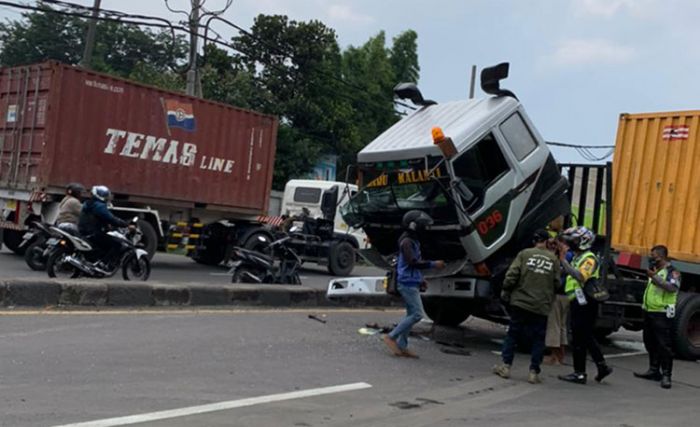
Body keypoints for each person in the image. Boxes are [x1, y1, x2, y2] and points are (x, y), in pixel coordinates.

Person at [492, 229, 561, 384]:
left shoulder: (524, 254)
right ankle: (533, 372)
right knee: (538, 339)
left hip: (520, 302)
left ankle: (506, 366)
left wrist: (506, 290)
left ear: (534, 241)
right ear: (547, 241)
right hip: (541, 305)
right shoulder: (553, 259)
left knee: (513, 334)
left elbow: (511, 275)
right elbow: (557, 283)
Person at [382, 210, 445, 358]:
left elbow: (412, 264)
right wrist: (433, 264)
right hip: (406, 283)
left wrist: (420, 279)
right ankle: (391, 337)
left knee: (411, 314)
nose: (424, 229)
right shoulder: (406, 242)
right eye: (422, 226)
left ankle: (402, 345)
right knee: (417, 314)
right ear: (414, 226)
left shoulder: (413, 241)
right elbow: (412, 262)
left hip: (412, 281)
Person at [557, 226, 613, 385]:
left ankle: (580, 373)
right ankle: (602, 366)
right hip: (577, 300)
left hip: (585, 302)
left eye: (575, 241)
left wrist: (563, 261)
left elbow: (580, 276)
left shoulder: (589, 258)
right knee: (585, 336)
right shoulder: (577, 256)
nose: (572, 243)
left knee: (580, 337)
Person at [634, 245, 681, 389]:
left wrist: (653, 277)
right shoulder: (656, 271)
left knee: (664, 345)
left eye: (654, 257)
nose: (652, 259)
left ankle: (666, 375)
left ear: (662, 257)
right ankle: (653, 370)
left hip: (662, 313)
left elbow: (672, 288)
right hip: (649, 311)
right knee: (650, 342)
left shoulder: (672, 272)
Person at [78, 185, 130, 270]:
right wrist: (125, 224)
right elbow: (111, 219)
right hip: (94, 233)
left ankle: (97, 260)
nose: (107, 197)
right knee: (117, 244)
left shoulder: (88, 203)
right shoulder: (99, 206)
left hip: (84, 231)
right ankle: (103, 263)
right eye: (105, 195)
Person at [544, 241, 573, 365]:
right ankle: (560, 356)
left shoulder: (565, 257)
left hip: (559, 294)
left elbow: (557, 273)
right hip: (567, 295)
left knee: (554, 325)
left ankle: (554, 356)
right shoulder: (573, 256)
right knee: (562, 326)